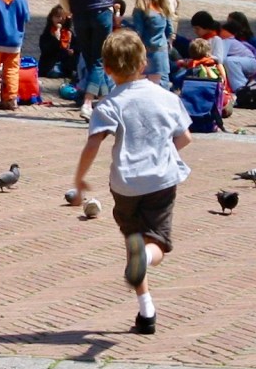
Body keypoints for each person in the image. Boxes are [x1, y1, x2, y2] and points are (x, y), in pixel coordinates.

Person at [70, 28, 192, 335]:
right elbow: (185, 137)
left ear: (107, 69)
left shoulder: (109, 104)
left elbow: (93, 143)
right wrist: (163, 154)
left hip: (125, 184)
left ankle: (146, 311)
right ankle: (146, 259)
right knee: (157, 243)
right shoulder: (166, 98)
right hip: (161, 180)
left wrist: (80, 178)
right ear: (144, 62)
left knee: (133, 239)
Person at [127, 0, 172, 88]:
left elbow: (138, 32)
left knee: (145, 86)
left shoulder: (141, 7)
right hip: (162, 51)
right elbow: (169, 30)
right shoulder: (163, 5)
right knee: (162, 85)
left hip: (147, 51)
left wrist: (123, 23)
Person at [38, 4, 77, 79]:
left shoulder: (69, 33)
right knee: (54, 71)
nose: (60, 19)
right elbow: (45, 50)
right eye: (57, 16)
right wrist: (55, 39)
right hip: (50, 64)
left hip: (65, 64)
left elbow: (76, 46)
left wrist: (73, 50)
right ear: (51, 18)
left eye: (63, 17)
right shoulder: (47, 33)